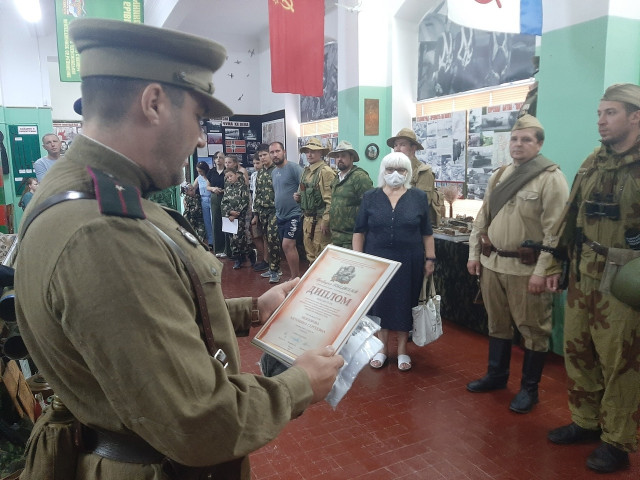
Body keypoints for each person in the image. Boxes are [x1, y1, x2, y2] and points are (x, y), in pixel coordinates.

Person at [13, 18, 343, 480]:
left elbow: (145, 326)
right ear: (153, 103)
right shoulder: (104, 234)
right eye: (199, 118)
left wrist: (253, 308)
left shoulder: (75, 193)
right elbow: (200, 421)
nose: (202, 139)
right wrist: (299, 384)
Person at [546, 83, 640, 473]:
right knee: (578, 349)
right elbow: (570, 215)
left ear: (635, 117)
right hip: (584, 272)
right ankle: (585, 421)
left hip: (625, 278)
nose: (601, 121)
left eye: (610, 113)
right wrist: (556, 262)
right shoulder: (592, 162)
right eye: (599, 113)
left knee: (621, 362)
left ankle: (617, 441)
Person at [466, 115, 569, 414]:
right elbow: (482, 219)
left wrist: (543, 271)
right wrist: (474, 254)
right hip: (493, 264)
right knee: (497, 323)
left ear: (539, 144)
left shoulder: (551, 178)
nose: (518, 144)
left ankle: (529, 390)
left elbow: (555, 232)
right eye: (514, 139)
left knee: (534, 330)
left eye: (526, 139)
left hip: (527, 270)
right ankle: (496, 376)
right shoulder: (500, 175)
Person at [352, 152, 435, 371]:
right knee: (380, 304)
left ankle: (402, 350)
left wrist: (430, 258)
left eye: (401, 170)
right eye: (390, 169)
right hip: (377, 261)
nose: (395, 174)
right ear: (383, 171)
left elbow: (427, 232)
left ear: (408, 173)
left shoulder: (418, 197)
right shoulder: (370, 196)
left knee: (405, 303)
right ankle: (381, 349)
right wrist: (358, 260)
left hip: (409, 261)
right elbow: (359, 231)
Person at [387, 128, 444, 226]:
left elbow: (420, 205)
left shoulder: (423, 172)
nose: (397, 149)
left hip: (415, 226)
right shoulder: (391, 171)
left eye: (402, 145)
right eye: (395, 145)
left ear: (413, 148)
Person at [294, 137, 336, 263]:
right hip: (307, 219)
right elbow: (303, 193)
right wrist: (298, 198)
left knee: (321, 255)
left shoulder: (325, 172)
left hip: (320, 221)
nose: (309, 154)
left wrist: (326, 221)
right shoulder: (306, 171)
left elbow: (331, 200)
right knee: (310, 254)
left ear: (320, 153)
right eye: (307, 151)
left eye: (313, 151)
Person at [327, 140, 373, 249]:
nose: (339, 159)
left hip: (352, 238)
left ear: (351, 158)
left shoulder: (359, 177)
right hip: (336, 237)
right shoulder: (336, 179)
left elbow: (370, 206)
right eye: (337, 156)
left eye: (343, 156)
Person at [270, 141, 304, 280]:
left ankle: (295, 278)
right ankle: (294, 276)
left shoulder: (294, 168)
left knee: (288, 245)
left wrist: (300, 196)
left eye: (277, 151)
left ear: (284, 152)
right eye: (272, 152)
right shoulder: (274, 172)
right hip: (280, 215)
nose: (275, 155)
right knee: (286, 246)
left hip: (294, 214)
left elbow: (304, 185)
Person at [253, 143, 283, 283]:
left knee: (273, 239)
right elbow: (257, 193)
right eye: (260, 156)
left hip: (274, 210)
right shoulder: (260, 173)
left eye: (265, 155)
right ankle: (272, 268)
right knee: (267, 239)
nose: (263, 158)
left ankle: (276, 270)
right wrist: (256, 213)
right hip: (262, 211)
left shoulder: (276, 171)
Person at [221, 169, 253, 269]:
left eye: (231, 176)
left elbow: (245, 201)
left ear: (236, 175)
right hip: (229, 217)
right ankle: (238, 258)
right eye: (227, 177)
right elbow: (224, 202)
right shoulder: (227, 188)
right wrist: (229, 212)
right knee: (232, 239)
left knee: (239, 238)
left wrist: (236, 214)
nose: (229, 178)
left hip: (240, 217)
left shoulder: (242, 187)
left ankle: (250, 253)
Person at [207, 151, 230, 257]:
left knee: (227, 221)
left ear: (224, 159)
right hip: (215, 197)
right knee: (216, 222)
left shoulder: (228, 171)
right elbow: (207, 186)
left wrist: (224, 190)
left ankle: (227, 249)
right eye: (216, 157)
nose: (218, 159)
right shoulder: (211, 172)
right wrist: (213, 188)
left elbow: (233, 184)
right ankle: (218, 249)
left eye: (220, 157)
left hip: (226, 197)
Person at [249, 152, 269, 272]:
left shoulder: (268, 174)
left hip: (265, 209)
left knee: (265, 235)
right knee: (255, 234)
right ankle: (263, 256)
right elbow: (254, 193)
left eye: (258, 163)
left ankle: (266, 260)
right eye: (254, 163)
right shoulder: (254, 175)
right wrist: (254, 211)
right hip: (255, 208)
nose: (256, 165)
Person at [192, 160, 213, 249]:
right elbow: (193, 188)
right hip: (203, 199)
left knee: (213, 220)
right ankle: (211, 241)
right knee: (207, 221)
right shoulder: (198, 178)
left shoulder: (210, 176)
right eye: (198, 171)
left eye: (201, 171)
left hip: (211, 198)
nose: (199, 173)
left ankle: (217, 240)